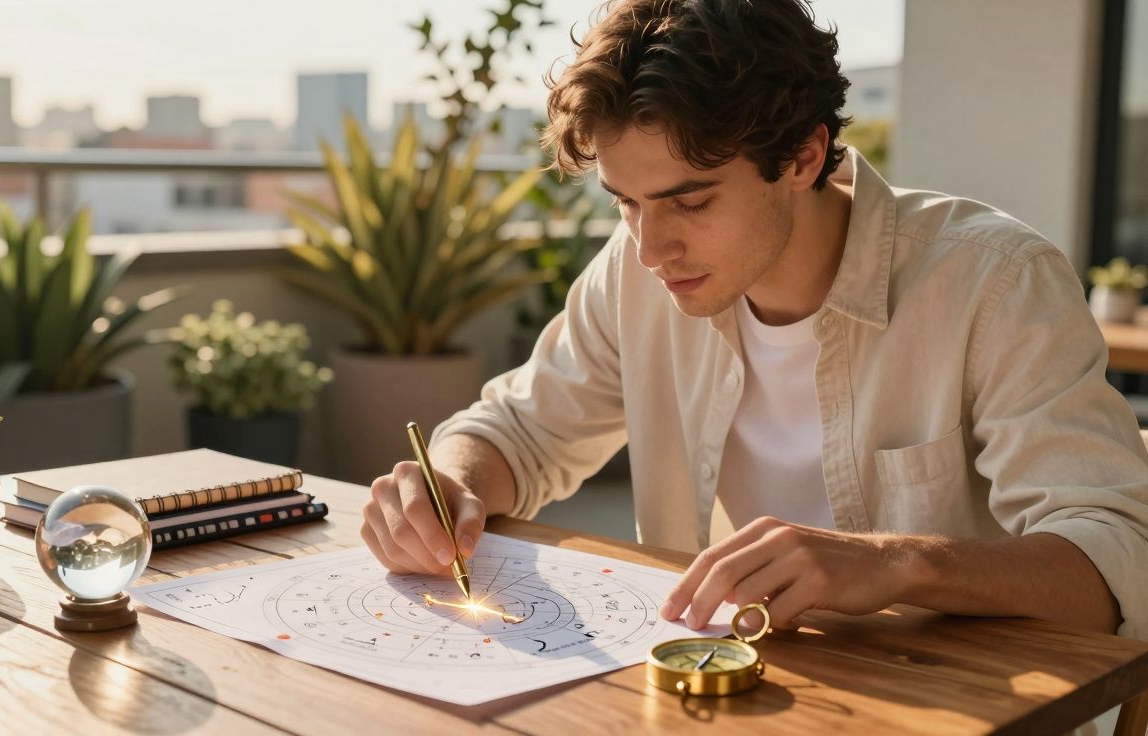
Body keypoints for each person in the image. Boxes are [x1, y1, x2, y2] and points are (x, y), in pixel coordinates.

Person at [359, 0, 1148, 640]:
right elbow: (518, 432)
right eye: (626, 203)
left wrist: (896, 563)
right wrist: (448, 485)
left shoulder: (995, 282)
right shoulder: (636, 271)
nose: (650, 249)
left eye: (690, 201)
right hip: (715, 693)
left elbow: (1120, 561)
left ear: (803, 156)